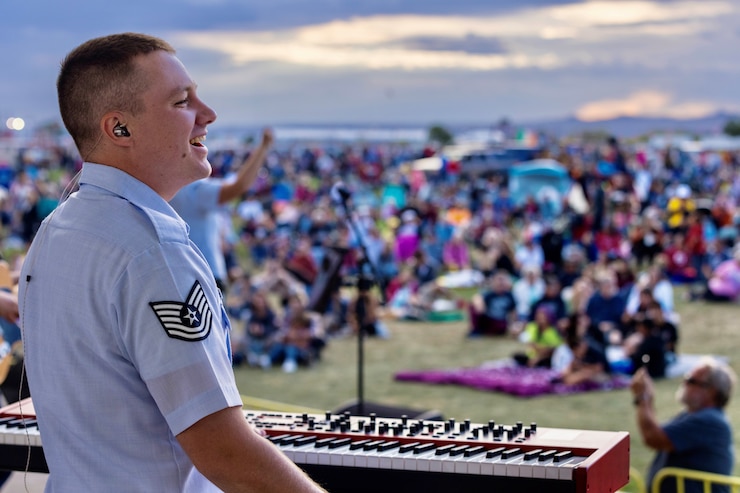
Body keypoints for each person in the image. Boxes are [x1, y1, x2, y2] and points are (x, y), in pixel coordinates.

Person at [18, 33, 325, 492]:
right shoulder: (151, 254)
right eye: (183, 101)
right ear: (119, 128)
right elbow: (223, 452)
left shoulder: (59, 227)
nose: (208, 114)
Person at [169, 126, 275, 292]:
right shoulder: (193, 188)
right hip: (206, 275)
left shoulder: (170, 186)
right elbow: (238, 187)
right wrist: (263, 147)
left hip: (188, 275)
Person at [631, 358, 736, 493]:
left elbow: (653, 436)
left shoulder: (709, 421)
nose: (684, 383)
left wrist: (643, 397)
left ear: (711, 391)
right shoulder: (694, 416)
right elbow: (656, 432)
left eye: (691, 381)